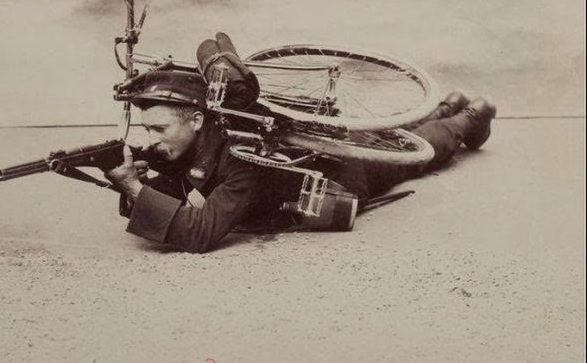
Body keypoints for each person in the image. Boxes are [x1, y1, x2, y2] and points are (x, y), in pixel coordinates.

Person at [104, 33, 497, 253]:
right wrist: (142, 181)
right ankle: (448, 105)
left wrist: (134, 187)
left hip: (342, 170)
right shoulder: (207, 133)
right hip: (315, 140)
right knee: (389, 134)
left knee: (414, 156)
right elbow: (180, 184)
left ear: (196, 119)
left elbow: (200, 233)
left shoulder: (243, 157)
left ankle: (469, 117)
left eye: (158, 130)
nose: (151, 139)